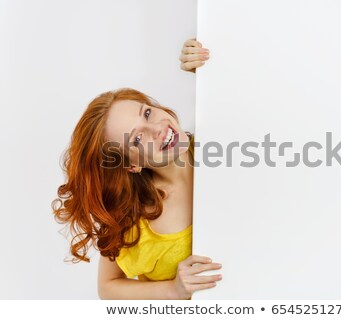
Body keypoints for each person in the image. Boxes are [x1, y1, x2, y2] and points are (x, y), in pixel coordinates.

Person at [52, 38, 222, 300]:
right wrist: (173, 289)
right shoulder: (134, 220)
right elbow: (108, 287)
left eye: (146, 114)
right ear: (132, 164)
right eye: (137, 139)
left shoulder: (216, 142)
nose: (157, 128)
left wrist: (212, 64)